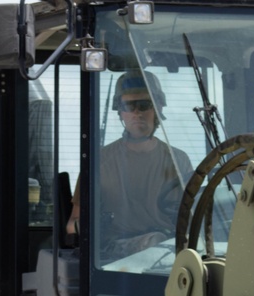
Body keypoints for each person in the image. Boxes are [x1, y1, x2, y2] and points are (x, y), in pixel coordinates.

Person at [67, 70, 193, 262]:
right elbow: (71, 225)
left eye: (144, 105)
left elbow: (193, 216)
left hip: (167, 247)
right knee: (156, 243)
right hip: (115, 251)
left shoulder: (178, 159)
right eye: (128, 106)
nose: (136, 113)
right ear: (120, 112)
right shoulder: (98, 161)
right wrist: (91, 224)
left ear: (157, 108)